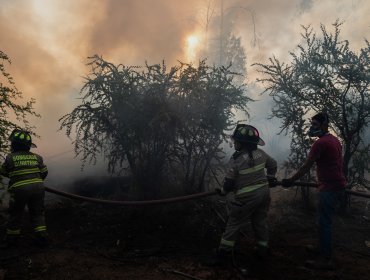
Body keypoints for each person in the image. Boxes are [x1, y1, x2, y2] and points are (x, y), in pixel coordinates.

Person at [282, 112, 347, 269]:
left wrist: (291, 180)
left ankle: (325, 259)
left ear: (325, 124)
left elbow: (306, 166)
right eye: (312, 124)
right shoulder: (334, 139)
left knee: (325, 223)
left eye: (315, 125)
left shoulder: (320, 143)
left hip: (329, 188)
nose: (312, 128)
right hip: (337, 186)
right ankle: (322, 249)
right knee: (323, 221)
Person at [210, 124, 277, 266]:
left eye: (236, 141)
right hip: (264, 195)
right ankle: (262, 250)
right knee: (260, 222)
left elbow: (228, 185)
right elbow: (273, 164)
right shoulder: (261, 154)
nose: (235, 143)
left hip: (247, 198)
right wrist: (270, 179)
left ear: (242, 143)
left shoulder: (236, 160)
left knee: (234, 223)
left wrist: (222, 192)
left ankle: (223, 254)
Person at [0, 129, 49, 248]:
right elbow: (44, 172)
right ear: (28, 146)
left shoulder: (10, 157)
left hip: (19, 189)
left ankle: (11, 240)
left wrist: (15, 176)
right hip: (38, 187)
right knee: (37, 213)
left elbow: (3, 171)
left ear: (14, 145)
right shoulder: (37, 157)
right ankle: (42, 237)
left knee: (15, 213)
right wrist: (35, 180)